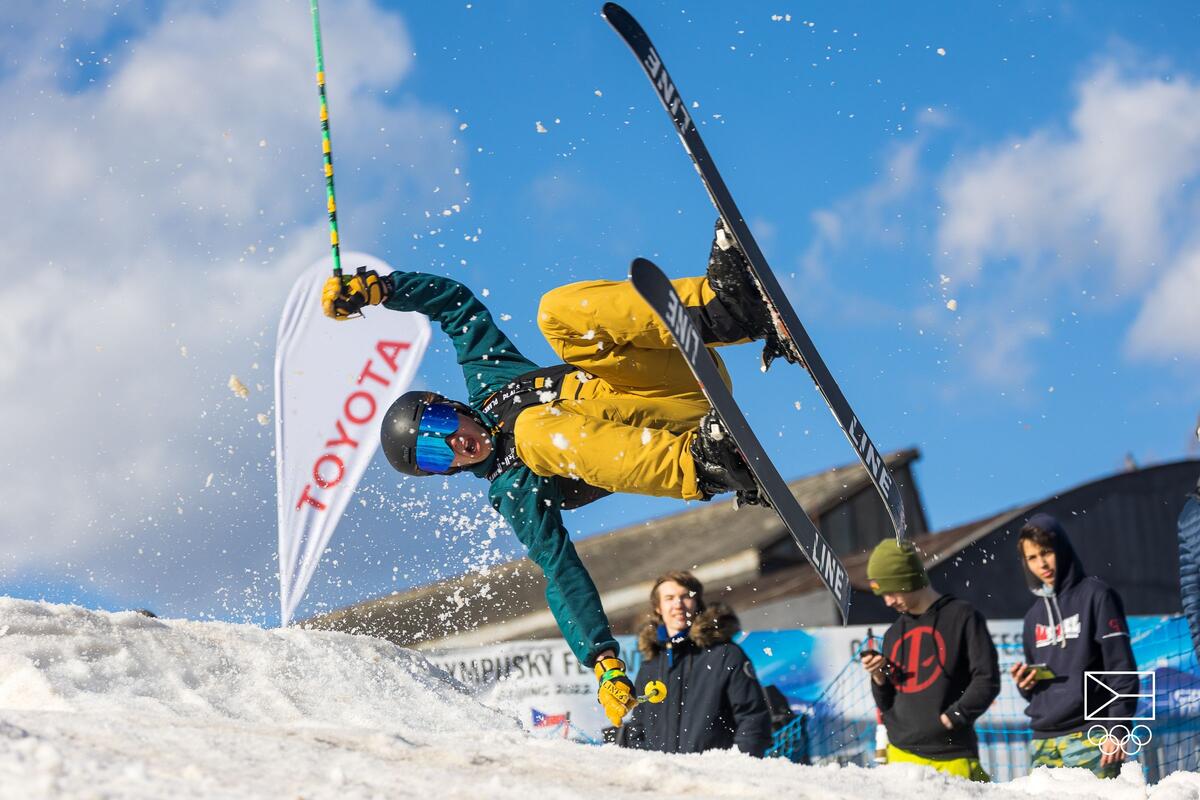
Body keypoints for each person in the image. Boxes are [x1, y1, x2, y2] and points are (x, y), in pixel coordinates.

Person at [321, 221, 778, 727]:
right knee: (534, 431)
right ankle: (704, 467)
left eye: (442, 426)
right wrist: (603, 662)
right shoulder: (512, 488)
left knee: (554, 312)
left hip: (676, 373)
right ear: (442, 473)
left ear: (452, 405)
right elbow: (560, 571)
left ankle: (723, 309)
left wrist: (384, 289)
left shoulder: (492, 380)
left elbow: (457, 307)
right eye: (433, 455)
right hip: (685, 434)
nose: (453, 445)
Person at [1008, 513, 1138, 779]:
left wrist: (1118, 728)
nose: (1042, 563)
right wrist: (1026, 684)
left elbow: (1121, 668)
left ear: (1062, 548)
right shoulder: (1032, 617)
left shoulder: (1097, 595)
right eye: (1032, 557)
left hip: (1092, 734)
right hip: (1043, 740)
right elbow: (1039, 690)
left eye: (1046, 552)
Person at [861, 539, 1000, 782]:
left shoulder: (962, 616)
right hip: (899, 756)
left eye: (891, 591)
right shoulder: (893, 633)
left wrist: (953, 717)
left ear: (909, 579)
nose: (888, 601)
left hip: (951, 756)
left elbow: (987, 679)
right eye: (883, 594)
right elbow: (886, 703)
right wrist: (878, 676)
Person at [618, 571, 772, 756]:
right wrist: (648, 766)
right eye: (669, 598)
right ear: (658, 608)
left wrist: (736, 764)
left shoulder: (725, 655)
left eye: (685, 596)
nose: (678, 604)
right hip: (664, 772)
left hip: (715, 771)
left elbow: (753, 719)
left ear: (697, 603)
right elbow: (638, 728)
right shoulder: (649, 666)